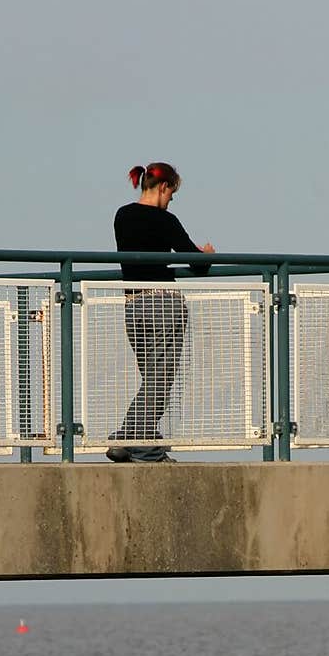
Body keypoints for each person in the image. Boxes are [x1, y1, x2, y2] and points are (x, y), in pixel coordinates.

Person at [108, 162, 216, 463]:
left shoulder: (122, 215)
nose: (170, 201)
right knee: (161, 380)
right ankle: (140, 445)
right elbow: (196, 261)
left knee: (152, 378)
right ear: (164, 187)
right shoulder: (164, 220)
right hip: (163, 304)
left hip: (133, 306)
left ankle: (129, 438)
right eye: (172, 194)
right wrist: (206, 254)